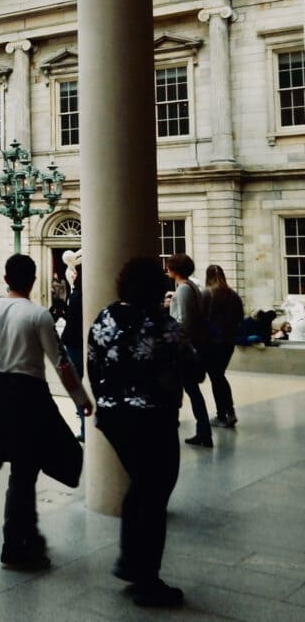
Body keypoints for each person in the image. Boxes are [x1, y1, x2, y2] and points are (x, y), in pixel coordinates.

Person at [0, 253, 92, 572]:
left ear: (5, 279)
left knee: (22, 471)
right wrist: (80, 398)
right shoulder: (38, 315)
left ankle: (24, 538)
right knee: (27, 472)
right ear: (33, 280)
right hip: (28, 395)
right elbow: (61, 362)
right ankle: (16, 544)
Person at [87, 257, 202, 608]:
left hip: (113, 418)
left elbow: (92, 364)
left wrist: (108, 399)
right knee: (154, 494)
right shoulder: (162, 324)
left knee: (140, 485)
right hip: (153, 418)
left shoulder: (104, 317)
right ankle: (147, 581)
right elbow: (193, 370)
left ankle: (129, 561)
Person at [166, 253, 211, 448]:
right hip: (191, 344)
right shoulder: (190, 287)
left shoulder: (184, 289)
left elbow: (184, 321)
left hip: (183, 347)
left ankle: (203, 431)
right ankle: (203, 430)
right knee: (192, 390)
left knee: (188, 390)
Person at [202, 264, 243, 429]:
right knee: (220, 377)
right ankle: (229, 412)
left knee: (216, 378)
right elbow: (239, 317)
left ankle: (222, 414)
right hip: (228, 343)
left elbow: (201, 318)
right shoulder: (233, 295)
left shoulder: (207, 294)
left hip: (212, 343)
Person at [61, 265, 86, 442]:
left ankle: (85, 427)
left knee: (76, 385)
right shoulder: (82, 292)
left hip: (75, 344)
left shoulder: (77, 294)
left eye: (75, 272)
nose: (72, 275)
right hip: (81, 343)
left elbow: (73, 322)